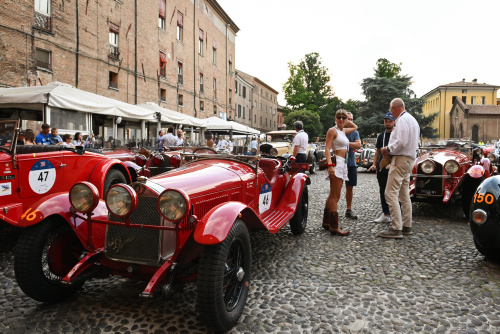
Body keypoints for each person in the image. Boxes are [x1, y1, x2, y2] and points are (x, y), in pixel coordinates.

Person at [378, 98, 420, 239]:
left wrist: (388, 149)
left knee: (390, 193)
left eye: (391, 109)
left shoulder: (402, 120)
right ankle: (406, 226)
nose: (391, 112)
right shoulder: (413, 120)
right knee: (404, 194)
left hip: (401, 159)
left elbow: (401, 142)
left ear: (395, 107)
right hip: (409, 160)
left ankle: (396, 228)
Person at [323, 109, 357, 236]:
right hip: (336, 162)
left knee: (333, 193)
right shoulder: (332, 130)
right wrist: (330, 165)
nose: (341, 119)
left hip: (342, 163)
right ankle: (334, 226)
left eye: (344, 117)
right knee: (335, 196)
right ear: (335, 118)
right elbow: (327, 149)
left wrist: (348, 121)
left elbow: (355, 127)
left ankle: (327, 222)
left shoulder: (342, 131)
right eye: (339, 117)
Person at [368, 112, 395, 223]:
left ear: (394, 122)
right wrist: (374, 164)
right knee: (383, 191)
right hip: (382, 167)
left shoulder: (397, 134)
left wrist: (393, 163)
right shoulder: (381, 136)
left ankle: (395, 215)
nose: (388, 123)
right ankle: (385, 214)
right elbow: (378, 151)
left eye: (390, 121)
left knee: (393, 192)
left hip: (393, 166)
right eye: (386, 121)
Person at [344, 112, 362, 219]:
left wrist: (344, 143)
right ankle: (332, 210)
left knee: (350, 188)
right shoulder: (339, 130)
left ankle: (348, 209)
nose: (350, 121)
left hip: (351, 163)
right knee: (336, 188)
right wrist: (351, 144)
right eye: (348, 119)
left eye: (352, 119)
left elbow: (358, 145)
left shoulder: (355, 132)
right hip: (340, 163)